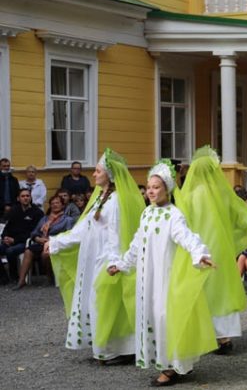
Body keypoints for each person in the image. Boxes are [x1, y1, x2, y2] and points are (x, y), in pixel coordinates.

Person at [108, 160, 216, 386]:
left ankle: (170, 366)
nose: (151, 191)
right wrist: (122, 264)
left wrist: (200, 254)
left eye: (156, 187)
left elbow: (186, 237)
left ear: (166, 188)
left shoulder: (173, 215)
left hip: (164, 277)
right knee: (149, 315)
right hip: (146, 280)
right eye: (148, 187)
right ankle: (167, 361)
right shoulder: (146, 213)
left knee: (163, 317)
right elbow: (137, 243)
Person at [47, 149, 145, 364]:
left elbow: (116, 234)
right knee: (95, 302)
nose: (93, 174)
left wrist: (114, 262)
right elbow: (83, 230)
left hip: (105, 259)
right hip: (93, 259)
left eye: (98, 171)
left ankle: (118, 349)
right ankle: (104, 348)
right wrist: (55, 242)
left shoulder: (116, 201)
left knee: (104, 303)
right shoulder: (99, 198)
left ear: (109, 175)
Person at [178, 146, 247, 355]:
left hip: (197, 253)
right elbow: (244, 217)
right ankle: (224, 337)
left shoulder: (188, 195)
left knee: (202, 291)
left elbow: (179, 225)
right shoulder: (223, 193)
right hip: (221, 251)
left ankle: (203, 335)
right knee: (222, 291)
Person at [14, 194, 74, 289]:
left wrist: (52, 239)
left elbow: (69, 235)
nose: (55, 205)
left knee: (45, 254)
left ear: (62, 205)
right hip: (41, 242)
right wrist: (37, 238)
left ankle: (49, 277)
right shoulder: (45, 219)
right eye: (52, 203)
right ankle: (21, 281)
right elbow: (34, 232)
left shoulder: (67, 220)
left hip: (56, 243)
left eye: (57, 203)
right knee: (28, 251)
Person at [0, 188, 44, 284]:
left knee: (10, 251)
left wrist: (14, 240)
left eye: (27, 196)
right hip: (10, 240)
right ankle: (3, 278)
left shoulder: (37, 212)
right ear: (18, 198)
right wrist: (5, 237)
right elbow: (7, 227)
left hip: (26, 241)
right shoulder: (14, 210)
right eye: (23, 196)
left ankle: (14, 276)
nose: (25, 198)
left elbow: (34, 232)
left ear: (31, 198)